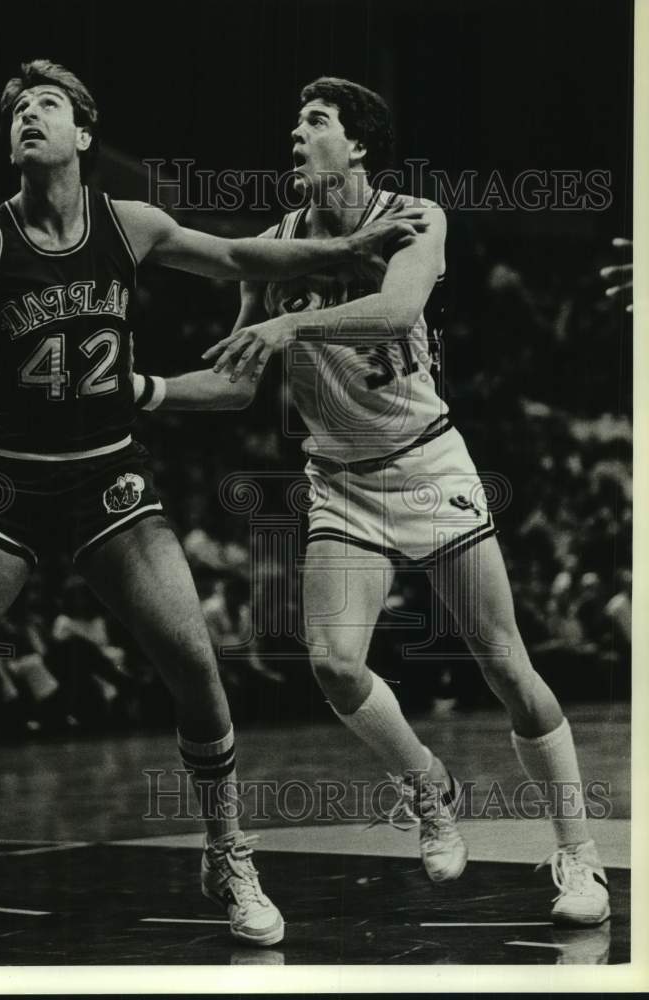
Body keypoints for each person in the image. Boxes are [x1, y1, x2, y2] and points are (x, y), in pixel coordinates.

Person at [0, 59, 422, 947]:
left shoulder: (126, 224)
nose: (29, 116)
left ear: (83, 136)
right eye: (17, 109)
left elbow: (239, 256)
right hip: (6, 482)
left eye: (47, 105)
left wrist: (341, 251)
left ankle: (228, 852)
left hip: (106, 478)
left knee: (197, 669)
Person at [135, 77, 611, 925]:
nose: (295, 131)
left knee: (505, 662)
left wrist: (291, 327)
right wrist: (145, 390)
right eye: (293, 119)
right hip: (341, 482)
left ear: (357, 145)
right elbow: (238, 382)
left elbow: (395, 313)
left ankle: (579, 858)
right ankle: (429, 787)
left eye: (314, 121)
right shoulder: (278, 244)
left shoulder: (416, 215)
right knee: (331, 661)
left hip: (428, 463)